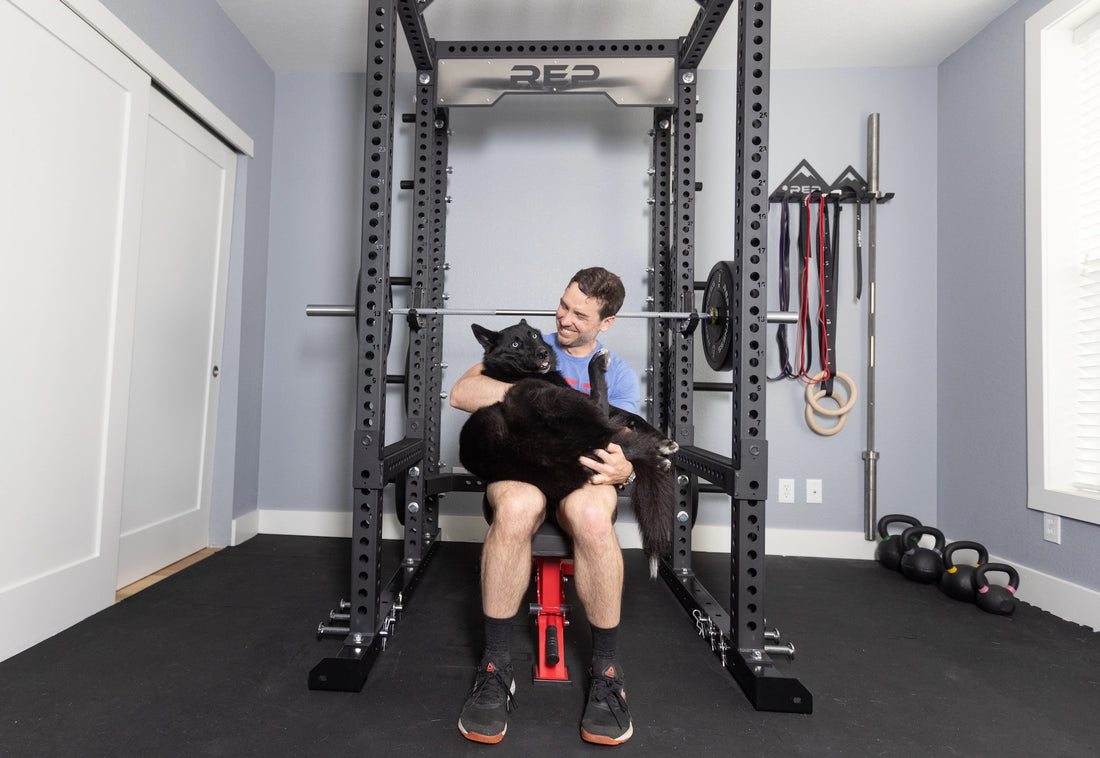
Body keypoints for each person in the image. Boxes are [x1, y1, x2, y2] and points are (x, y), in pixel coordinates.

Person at [450, 267, 640, 746]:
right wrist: (536, 395)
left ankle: (606, 673)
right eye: (563, 305)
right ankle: (495, 666)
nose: (565, 319)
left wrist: (628, 469)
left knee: (594, 517)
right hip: (521, 468)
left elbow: (629, 435)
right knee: (515, 507)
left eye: (580, 314)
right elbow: (463, 393)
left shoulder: (615, 372)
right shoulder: (527, 347)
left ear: (607, 323)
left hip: (579, 472)